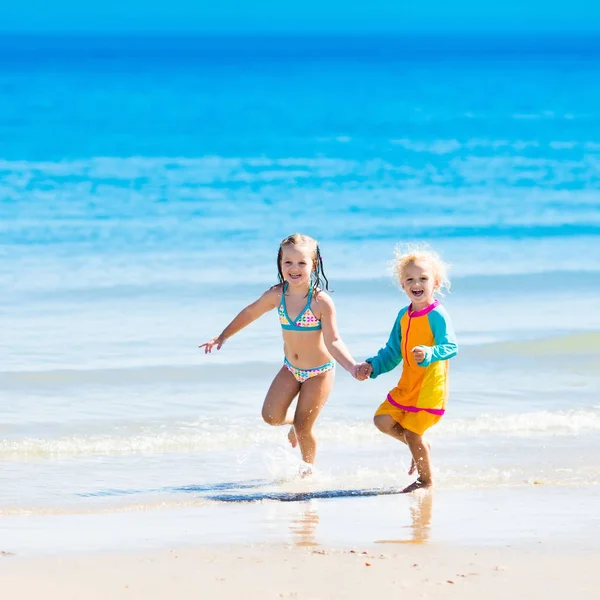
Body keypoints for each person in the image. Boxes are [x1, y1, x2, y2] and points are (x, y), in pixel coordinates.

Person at [199, 233, 357, 472]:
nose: (294, 268)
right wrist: (223, 336)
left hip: (319, 373)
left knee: (305, 429)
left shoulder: (320, 301)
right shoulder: (277, 294)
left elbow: (333, 340)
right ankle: (294, 421)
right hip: (291, 369)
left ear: (314, 264)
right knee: (271, 417)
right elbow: (250, 313)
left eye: (302, 263)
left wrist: (353, 367)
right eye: (288, 262)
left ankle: (308, 473)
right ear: (280, 262)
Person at [355, 245, 458, 493]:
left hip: (429, 387)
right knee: (382, 420)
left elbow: (451, 346)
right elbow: (392, 351)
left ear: (435, 282)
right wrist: (373, 366)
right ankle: (420, 446)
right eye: (410, 279)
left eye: (423, 278)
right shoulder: (403, 315)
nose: (416, 283)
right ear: (403, 285)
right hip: (408, 384)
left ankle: (426, 480)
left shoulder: (438, 315)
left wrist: (430, 352)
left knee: (412, 433)